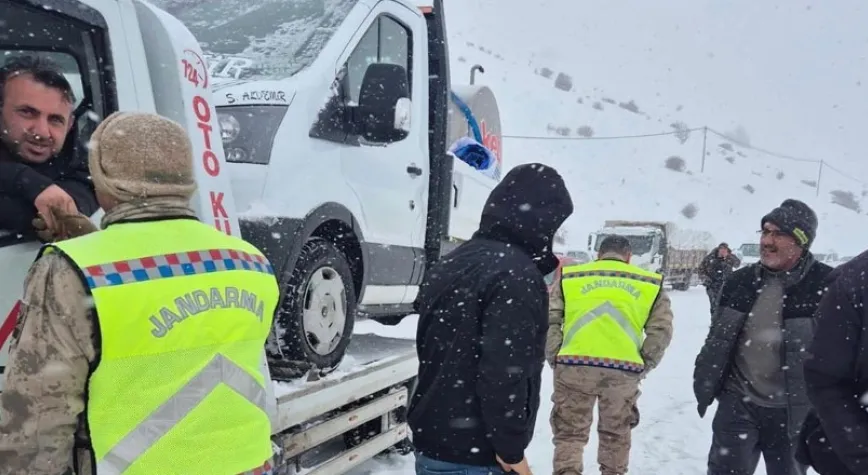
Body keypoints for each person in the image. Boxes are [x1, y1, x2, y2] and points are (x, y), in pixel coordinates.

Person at [0, 111, 279, 475]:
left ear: (102, 183)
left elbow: (36, 421)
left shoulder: (71, 269)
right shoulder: (249, 261)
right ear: (186, 181)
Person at [408, 163, 574, 475]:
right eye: (553, 225)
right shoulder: (517, 275)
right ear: (538, 221)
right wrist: (512, 453)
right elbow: (504, 373)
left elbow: (432, 352)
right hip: (476, 456)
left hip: (432, 443)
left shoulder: (451, 263)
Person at [693, 199, 833, 475]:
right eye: (765, 232)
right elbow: (719, 337)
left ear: (800, 242)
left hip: (794, 412)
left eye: (778, 234)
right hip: (738, 404)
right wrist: (707, 376)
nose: (767, 241)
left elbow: (841, 353)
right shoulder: (740, 281)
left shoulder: (826, 286)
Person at [546, 234, 674, 475]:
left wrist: (555, 354)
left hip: (573, 366)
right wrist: (644, 363)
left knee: (570, 435)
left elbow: (550, 319)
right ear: (628, 257)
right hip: (623, 371)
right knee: (615, 434)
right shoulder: (649, 283)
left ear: (598, 254)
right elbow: (661, 330)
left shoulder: (572, 277)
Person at [0, 55, 98, 238]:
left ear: (69, 125)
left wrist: (55, 215)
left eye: (55, 120)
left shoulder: (86, 167)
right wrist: (25, 180)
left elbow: (66, 212)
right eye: (27, 112)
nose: (42, 132)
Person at [795, 250, 868, 475]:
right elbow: (826, 380)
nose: (767, 240)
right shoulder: (854, 281)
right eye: (766, 232)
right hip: (847, 452)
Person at [698, 242, 741, 312]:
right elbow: (701, 269)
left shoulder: (729, 257)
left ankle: (722, 320)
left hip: (726, 285)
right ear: (718, 249)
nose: (723, 251)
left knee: (726, 305)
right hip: (712, 286)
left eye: (725, 249)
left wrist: (728, 257)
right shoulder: (710, 258)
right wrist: (706, 279)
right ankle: (714, 320)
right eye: (721, 249)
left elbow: (737, 264)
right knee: (714, 305)